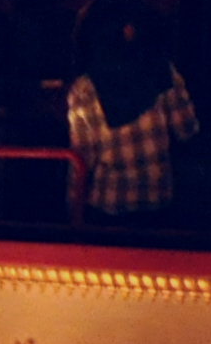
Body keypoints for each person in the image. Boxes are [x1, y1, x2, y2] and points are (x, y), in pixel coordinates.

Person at [65, 12, 201, 220]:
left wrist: (72, 207)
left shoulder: (84, 89)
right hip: (159, 200)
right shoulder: (164, 71)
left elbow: (83, 160)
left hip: (108, 204)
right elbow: (186, 130)